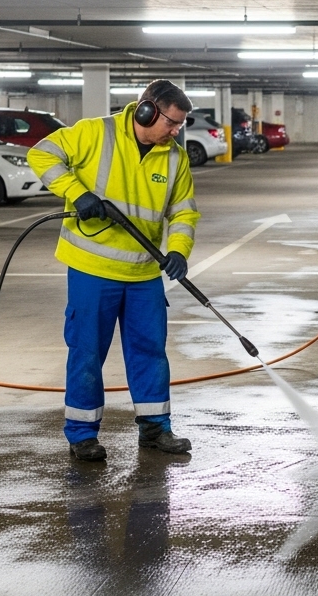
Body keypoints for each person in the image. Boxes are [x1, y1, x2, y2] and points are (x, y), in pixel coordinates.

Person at [27, 79, 201, 460]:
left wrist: (178, 250)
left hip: (143, 275)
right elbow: (41, 155)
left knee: (150, 352)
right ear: (146, 111)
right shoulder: (95, 133)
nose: (175, 132)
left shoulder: (174, 157)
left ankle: (155, 430)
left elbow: (184, 211)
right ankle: (82, 435)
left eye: (179, 126)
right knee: (87, 352)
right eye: (171, 123)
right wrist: (79, 193)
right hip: (93, 268)